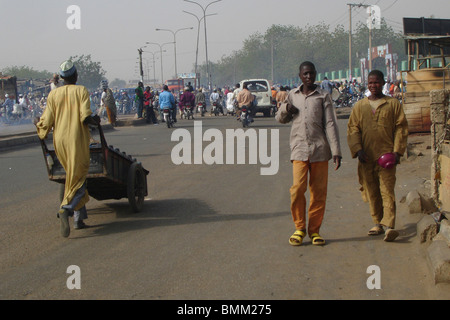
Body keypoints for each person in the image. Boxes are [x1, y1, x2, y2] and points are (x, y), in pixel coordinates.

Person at [276, 61, 342, 246]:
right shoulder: (292, 95)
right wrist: (286, 109)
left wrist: (336, 151)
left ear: (315, 75)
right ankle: (299, 227)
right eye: (305, 74)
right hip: (299, 150)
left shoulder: (323, 95)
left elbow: (330, 123)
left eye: (311, 73)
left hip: (320, 150)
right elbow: (280, 118)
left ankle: (314, 231)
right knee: (297, 189)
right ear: (300, 76)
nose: (308, 77)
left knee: (318, 192)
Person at [34, 60, 101, 237]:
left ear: (62, 78)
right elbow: (85, 117)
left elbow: (46, 122)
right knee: (78, 177)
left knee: (73, 177)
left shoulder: (53, 95)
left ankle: (79, 220)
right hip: (76, 140)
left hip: (60, 142)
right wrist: (96, 121)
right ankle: (67, 209)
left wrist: (38, 125)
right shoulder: (81, 91)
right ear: (76, 76)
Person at [347, 70, 408, 242]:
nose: (374, 86)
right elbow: (353, 129)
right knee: (372, 190)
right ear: (367, 84)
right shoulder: (360, 106)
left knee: (387, 190)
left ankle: (389, 225)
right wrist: (358, 150)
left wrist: (397, 152)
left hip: (387, 157)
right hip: (367, 157)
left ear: (383, 83)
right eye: (371, 83)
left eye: (377, 82)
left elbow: (401, 128)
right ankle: (377, 223)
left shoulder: (393, 104)